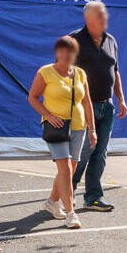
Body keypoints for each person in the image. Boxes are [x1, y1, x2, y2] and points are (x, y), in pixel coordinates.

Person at [30, 35, 97, 229]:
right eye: (62, 50)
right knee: (66, 168)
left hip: (78, 126)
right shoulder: (45, 72)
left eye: (69, 51)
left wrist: (92, 129)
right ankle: (70, 213)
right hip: (56, 126)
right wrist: (48, 115)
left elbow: (87, 102)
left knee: (70, 169)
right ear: (56, 52)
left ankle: (52, 202)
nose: (65, 54)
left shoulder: (80, 74)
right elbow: (33, 97)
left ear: (75, 54)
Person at [68, 0, 127, 213]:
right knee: (82, 152)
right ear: (88, 19)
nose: (105, 18)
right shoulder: (74, 40)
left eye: (105, 14)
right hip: (84, 106)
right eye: (100, 15)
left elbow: (115, 71)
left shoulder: (111, 41)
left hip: (107, 106)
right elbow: (64, 72)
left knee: (100, 153)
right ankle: (67, 194)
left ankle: (93, 197)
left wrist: (120, 98)